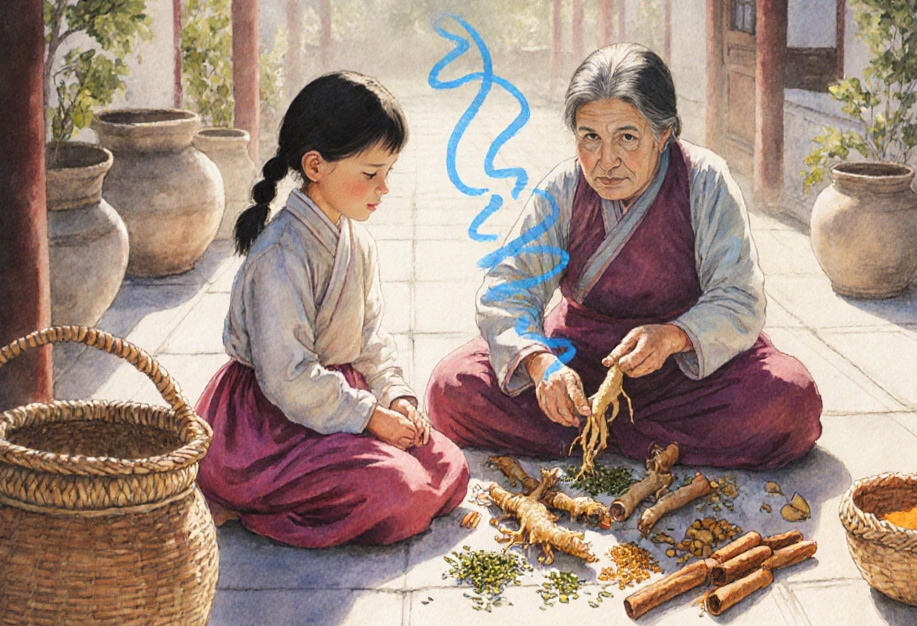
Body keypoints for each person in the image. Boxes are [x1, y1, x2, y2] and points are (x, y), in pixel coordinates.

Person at [427, 44, 822, 470]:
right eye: (590, 138)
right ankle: (635, 436)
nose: (606, 161)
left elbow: (740, 297)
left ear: (664, 134)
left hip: (683, 373)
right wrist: (542, 365)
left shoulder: (704, 180)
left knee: (791, 400)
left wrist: (674, 336)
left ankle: (598, 434)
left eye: (627, 138)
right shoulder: (563, 188)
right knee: (451, 387)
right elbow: (506, 288)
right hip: (578, 363)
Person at [195, 71, 469, 549]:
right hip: (269, 423)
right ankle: (259, 507)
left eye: (388, 173)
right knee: (401, 492)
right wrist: (370, 418)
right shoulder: (281, 253)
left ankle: (360, 469)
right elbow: (287, 377)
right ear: (316, 166)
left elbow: (370, 343)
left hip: (341, 399)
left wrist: (396, 398)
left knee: (449, 467)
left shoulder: (357, 242)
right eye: (370, 174)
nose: (383, 188)